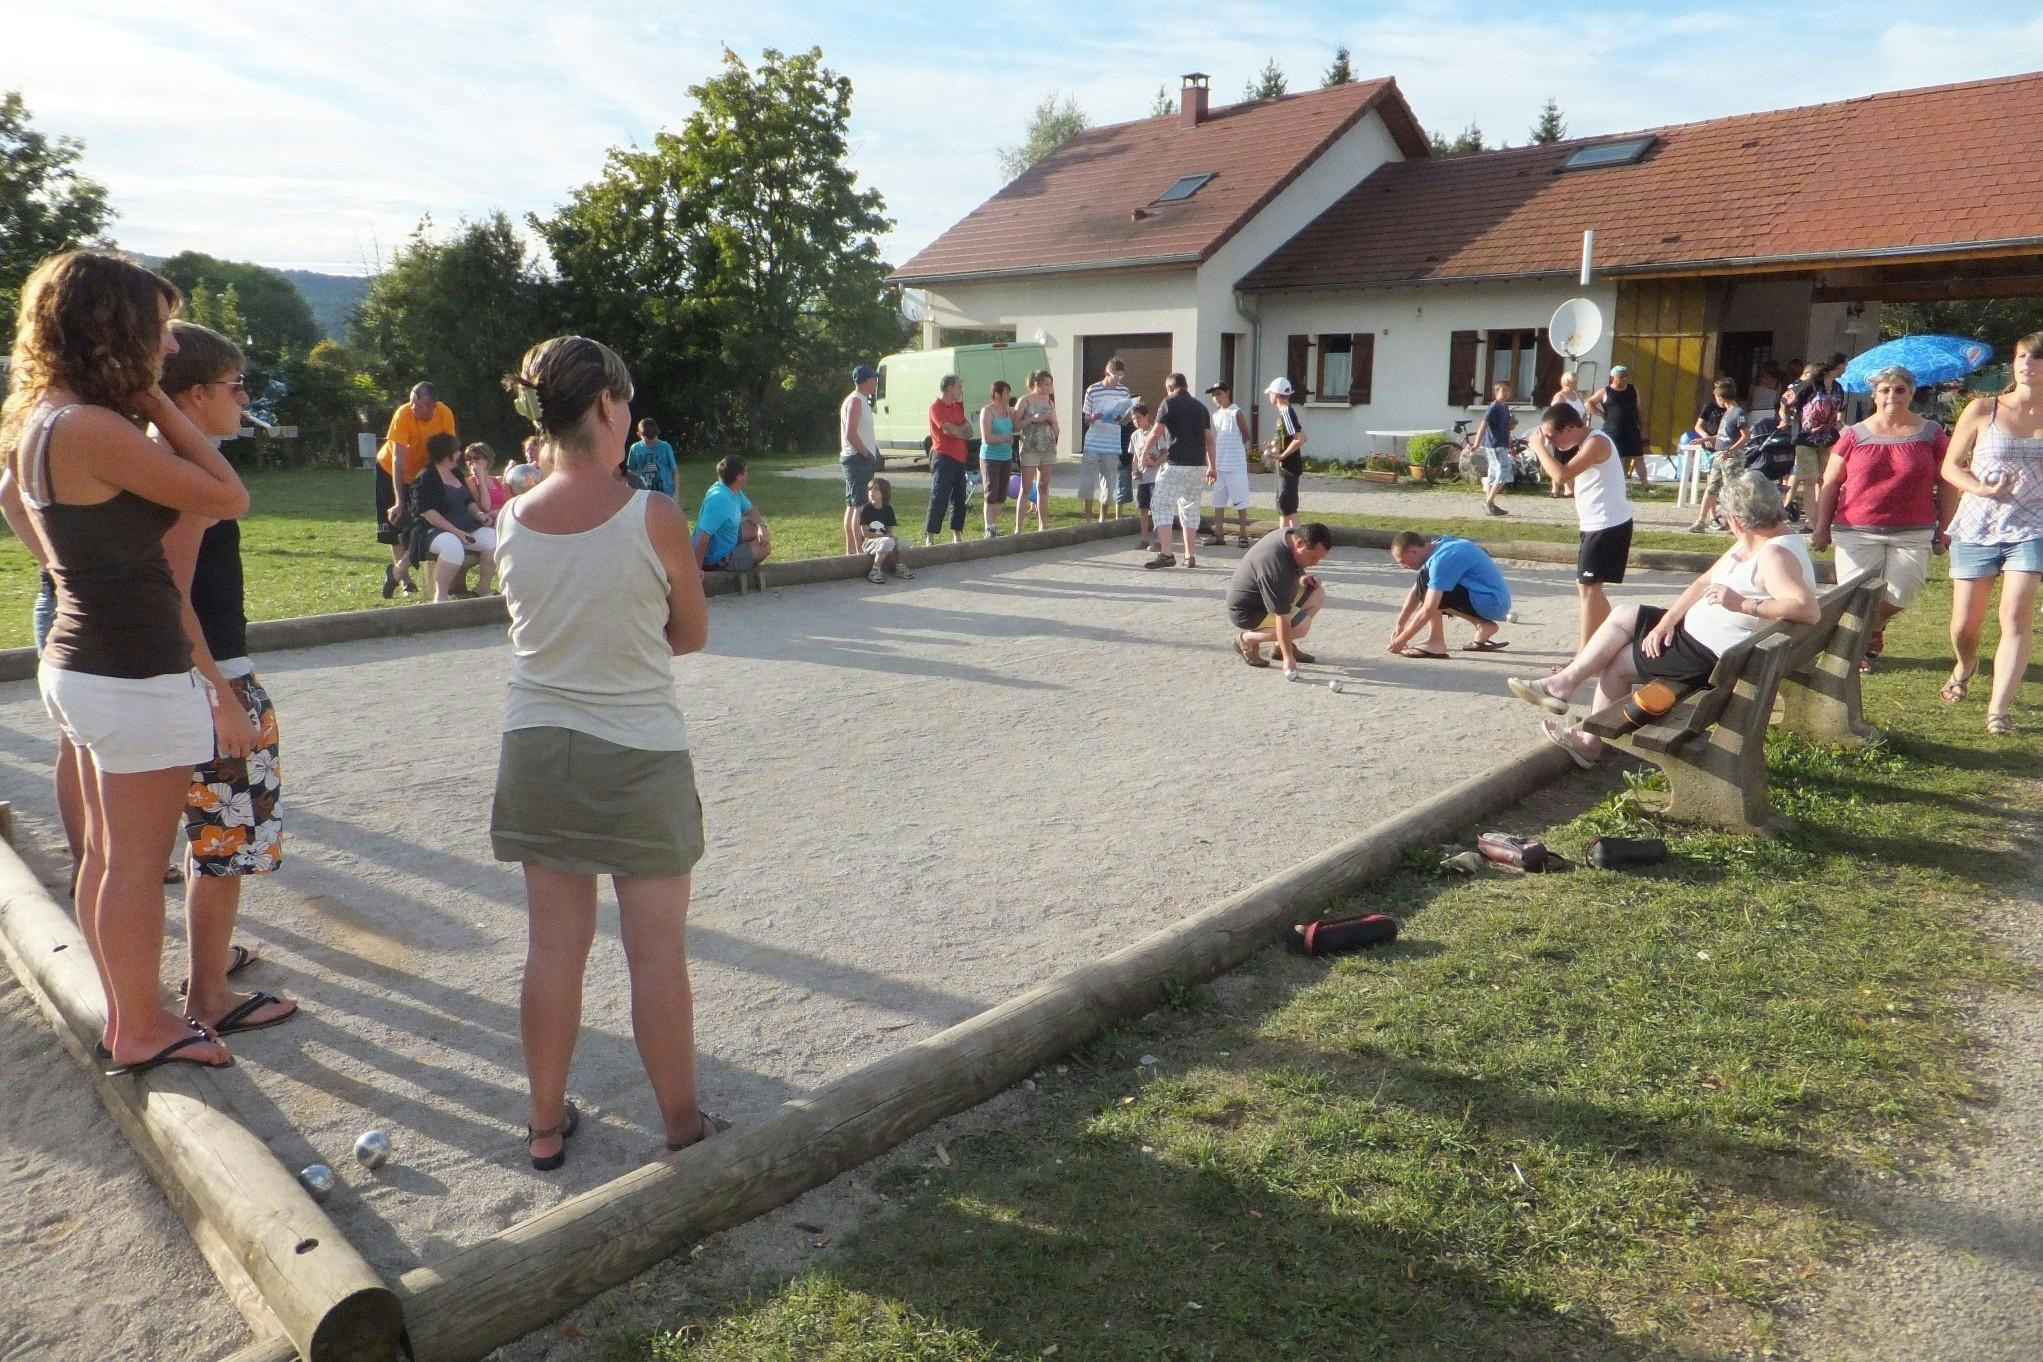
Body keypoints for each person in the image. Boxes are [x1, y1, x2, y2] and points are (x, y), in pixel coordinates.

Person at [3, 250, 249, 1076]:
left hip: (78, 660)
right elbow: (223, 493)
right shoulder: (95, 428)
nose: (170, 350)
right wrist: (154, 404)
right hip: (131, 670)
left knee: (108, 857)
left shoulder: (39, 419)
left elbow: (22, 510)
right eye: (157, 332)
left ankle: (126, 1011)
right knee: (137, 868)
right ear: (112, 329)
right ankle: (141, 1028)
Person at [494, 335, 717, 1167]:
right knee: (655, 951)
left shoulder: (508, 518)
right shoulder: (653, 515)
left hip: (536, 745)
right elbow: (690, 635)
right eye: (623, 403)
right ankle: (682, 1127)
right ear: (603, 407)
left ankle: (544, 1128)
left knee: (552, 948)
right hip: (637, 750)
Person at [156, 321, 297, 1040]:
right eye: (238, 387)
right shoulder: (189, 481)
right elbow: (173, 595)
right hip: (213, 683)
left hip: (191, 680)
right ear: (198, 394)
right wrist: (220, 693)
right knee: (221, 848)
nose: (246, 400)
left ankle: (206, 966)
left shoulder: (164, 463)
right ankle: (207, 998)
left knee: (209, 842)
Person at [1506, 471, 1818, 768]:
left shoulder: (1774, 556)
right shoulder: (1756, 541)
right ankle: (1562, 685)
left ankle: (1587, 740)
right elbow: (1702, 583)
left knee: (1617, 664)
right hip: (1697, 638)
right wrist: (1667, 621)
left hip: (1711, 657)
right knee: (1624, 614)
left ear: (1739, 519)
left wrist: (1743, 604)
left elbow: (1807, 610)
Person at [1808, 364, 1951, 672]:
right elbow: (1831, 481)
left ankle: (1870, 630)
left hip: (1914, 529)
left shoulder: (1931, 432)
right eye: (1885, 390)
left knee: (1901, 593)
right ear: (1874, 395)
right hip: (1856, 529)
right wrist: (1822, 527)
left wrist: (1947, 527)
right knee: (1857, 597)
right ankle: (1854, 649)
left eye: (1900, 390)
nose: (1892, 396)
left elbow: (1947, 481)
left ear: (1911, 393)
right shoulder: (1853, 434)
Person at [1939, 331, 2043, 736]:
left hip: (2032, 527)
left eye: (2035, 358)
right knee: (1965, 624)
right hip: (1977, 523)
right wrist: (1979, 487)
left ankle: (1998, 711)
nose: (2026, 364)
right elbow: (1950, 466)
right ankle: (1966, 664)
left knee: (2015, 615)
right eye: (2021, 357)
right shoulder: (1983, 409)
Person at [1529, 401, 1636, 649]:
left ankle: (1583, 655)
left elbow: (1561, 475)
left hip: (1607, 524)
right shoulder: (1584, 443)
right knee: (1588, 588)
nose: (1551, 442)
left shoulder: (1597, 442)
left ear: (1569, 428)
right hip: (1595, 524)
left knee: (1588, 589)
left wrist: (1538, 448)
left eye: (1552, 437)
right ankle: (1614, 639)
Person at [374, 381, 456, 598]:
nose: (413, 408)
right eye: (411, 402)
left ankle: (400, 570)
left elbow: (448, 449)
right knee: (396, 525)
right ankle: (405, 581)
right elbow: (397, 461)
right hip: (390, 471)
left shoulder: (444, 414)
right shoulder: (403, 415)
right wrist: (400, 500)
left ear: (433, 406)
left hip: (422, 472)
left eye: (419, 405)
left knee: (422, 524)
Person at [1227, 522, 1333, 676]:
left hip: (1267, 597)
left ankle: (1279, 646)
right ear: (1299, 543)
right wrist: (1288, 658)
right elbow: (1281, 615)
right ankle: (1246, 640)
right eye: (1313, 557)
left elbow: (1291, 571)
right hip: (1248, 612)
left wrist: (1301, 578)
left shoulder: (1289, 535)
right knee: (1300, 626)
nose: (1315, 562)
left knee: (1317, 593)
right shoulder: (1274, 566)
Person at [1386, 530, 1512, 656]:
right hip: (1494, 599)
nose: (1402, 566)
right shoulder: (1439, 546)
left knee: (1430, 587)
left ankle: (1435, 643)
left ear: (1413, 551)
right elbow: (1416, 591)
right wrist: (1400, 625)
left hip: (1490, 602)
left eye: (1402, 561)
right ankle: (1483, 625)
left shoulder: (1441, 560)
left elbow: (1429, 608)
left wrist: (1401, 640)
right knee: (1426, 580)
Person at [410, 433, 498, 602]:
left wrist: (480, 515)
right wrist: (456, 532)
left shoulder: (456, 473)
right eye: (457, 451)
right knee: (453, 546)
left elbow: (469, 502)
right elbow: (428, 513)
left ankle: (483, 588)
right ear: (447, 455)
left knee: (492, 539)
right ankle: (441, 596)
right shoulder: (426, 477)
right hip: (434, 529)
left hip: (466, 525)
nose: (460, 454)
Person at [1146, 373, 1215, 570]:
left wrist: (1144, 452)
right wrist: (1212, 466)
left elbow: (1156, 432)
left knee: (1160, 504)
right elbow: (1209, 439)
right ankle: (1190, 555)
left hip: (1176, 463)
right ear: (1186, 386)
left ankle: (1167, 553)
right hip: (1198, 465)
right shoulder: (1201, 407)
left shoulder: (1168, 403)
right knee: (1190, 508)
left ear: (1170, 387)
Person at [1784, 355, 1847, 522]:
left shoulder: (1837, 387)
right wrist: (1785, 419)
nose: (1846, 368)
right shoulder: (1811, 384)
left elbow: (1840, 407)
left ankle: (1821, 518)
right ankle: (1812, 522)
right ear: (1838, 366)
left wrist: (1838, 420)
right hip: (1806, 437)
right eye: (1845, 364)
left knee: (1825, 479)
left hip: (1827, 438)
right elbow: (1786, 399)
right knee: (1810, 479)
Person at [1686, 379, 1750, 533]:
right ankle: (1701, 519)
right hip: (1719, 454)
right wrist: (1707, 439)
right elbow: (1724, 436)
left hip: (1731, 457)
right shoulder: (1727, 413)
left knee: (1731, 489)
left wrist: (1731, 450)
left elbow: (1745, 436)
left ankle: (1735, 522)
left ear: (1721, 398)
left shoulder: (1738, 412)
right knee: (1712, 487)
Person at [694, 455, 771, 572]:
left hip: (727, 539)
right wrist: (696, 571)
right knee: (765, 547)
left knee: (758, 532)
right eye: (746, 471)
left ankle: (742, 556)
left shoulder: (733, 490)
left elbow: (752, 511)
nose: (748, 474)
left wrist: (761, 527)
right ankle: (733, 566)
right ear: (739, 477)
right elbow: (703, 537)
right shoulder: (719, 500)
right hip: (716, 559)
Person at [1080, 357, 1131, 522]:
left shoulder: (1124, 391)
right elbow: (1086, 418)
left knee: (1109, 485)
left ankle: (1102, 519)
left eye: (1121, 377)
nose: (1118, 380)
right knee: (1089, 482)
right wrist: (1092, 417)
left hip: (1112, 442)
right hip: (1093, 441)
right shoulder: (1093, 390)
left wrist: (1121, 417)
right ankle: (1088, 520)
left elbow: (1126, 419)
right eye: (1115, 377)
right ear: (1106, 373)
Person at [1202, 381, 1253, 547]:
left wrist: (1236, 448)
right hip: (1220, 462)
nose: (1216, 398)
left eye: (1219, 394)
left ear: (1227, 393)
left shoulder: (1235, 412)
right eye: (1214, 395)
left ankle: (1243, 534)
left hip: (1235, 464)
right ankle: (1218, 533)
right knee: (1218, 499)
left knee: (1240, 499)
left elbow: (1246, 434)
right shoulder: (1216, 415)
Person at [924, 374, 970, 546]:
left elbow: (969, 431)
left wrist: (959, 430)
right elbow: (949, 430)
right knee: (940, 495)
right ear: (950, 388)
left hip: (960, 457)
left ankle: (957, 533)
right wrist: (959, 430)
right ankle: (930, 535)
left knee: (959, 498)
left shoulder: (957, 407)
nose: (961, 390)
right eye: (959, 386)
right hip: (943, 457)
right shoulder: (935, 407)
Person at [1013, 370, 1059, 535]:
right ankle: (1018, 527)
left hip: (1047, 447)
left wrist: (1053, 423)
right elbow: (1015, 425)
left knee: (1043, 486)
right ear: (1037, 383)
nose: (1049, 387)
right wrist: (1033, 419)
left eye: (1050, 384)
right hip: (1030, 447)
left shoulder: (1049, 402)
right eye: (1046, 384)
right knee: (1026, 488)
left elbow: (1057, 428)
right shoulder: (1024, 400)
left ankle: (1043, 524)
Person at [840, 364, 880, 553]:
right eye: (874, 378)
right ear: (867, 380)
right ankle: (859, 551)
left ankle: (851, 552)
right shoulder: (856, 401)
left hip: (856, 459)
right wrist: (867, 455)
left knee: (852, 505)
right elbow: (851, 434)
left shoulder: (861, 400)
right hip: (857, 460)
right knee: (860, 506)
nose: (876, 382)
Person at [1588, 364, 1647, 488]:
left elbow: (1639, 410)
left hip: (1632, 429)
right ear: (1613, 378)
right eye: (1621, 376)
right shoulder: (1605, 391)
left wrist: (1643, 428)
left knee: (1639, 457)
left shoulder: (1633, 389)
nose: (1624, 379)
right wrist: (1600, 413)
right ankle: (1619, 485)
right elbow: (1589, 403)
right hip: (1614, 430)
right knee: (1618, 458)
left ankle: (1645, 484)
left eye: (1626, 376)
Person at [853, 476, 914, 583]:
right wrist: (884, 537)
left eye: (876, 489)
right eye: (870, 489)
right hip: (869, 542)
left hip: (884, 541)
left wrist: (891, 537)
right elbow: (865, 533)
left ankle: (899, 567)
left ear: (884, 493)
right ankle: (874, 570)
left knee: (903, 542)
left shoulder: (888, 509)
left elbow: (890, 531)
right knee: (888, 541)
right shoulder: (866, 509)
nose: (872, 491)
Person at [1264, 377, 1307, 528]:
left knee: (1289, 508)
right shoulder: (1284, 413)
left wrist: (1282, 455)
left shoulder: (1286, 413)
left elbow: (1300, 438)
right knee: (1283, 507)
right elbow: (1287, 437)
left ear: (1275, 395)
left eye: (1270, 393)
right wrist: (1274, 444)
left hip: (1289, 467)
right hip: (1284, 468)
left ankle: (1297, 540)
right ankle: (1283, 539)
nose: (1269, 396)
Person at [978, 379, 1015, 539]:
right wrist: (1005, 438)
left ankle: (994, 525)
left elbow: (1019, 419)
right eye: (1006, 392)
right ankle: (989, 528)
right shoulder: (987, 411)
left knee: (1001, 494)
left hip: (1005, 457)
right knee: (991, 492)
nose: (1008, 395)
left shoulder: (1008, 411)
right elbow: (987, 437)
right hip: (990, 457)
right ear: (997, 394)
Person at [1129, 402, 1165, 550]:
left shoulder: (1155, 433)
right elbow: (1135, 457)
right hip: (1143, 479)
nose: (1136, 421)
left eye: (1139, 418)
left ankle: (1159, 539)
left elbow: (1165, 453)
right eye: (1133, 418)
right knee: (1143, 508)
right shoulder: (1135, 435)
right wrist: (1135, 471)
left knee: (1157, 509)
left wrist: (1155, 463)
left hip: (1156, 478)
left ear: (1146, 417)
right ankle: (1144, 539)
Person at [1479, 380, 1517, 516]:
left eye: (1508, 390)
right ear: (1497, 391)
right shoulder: (1494, 407)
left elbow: (1507, 428)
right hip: (1495, 445)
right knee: (1504, 473)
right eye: (1503, 390)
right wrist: (1477, 442)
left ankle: (1490, 504)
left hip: (1502, 444)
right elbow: (1484, 424)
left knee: (1494, 474)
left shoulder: (1505, 407)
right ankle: (1489, 502)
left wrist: (1510, 443)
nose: (1506, 393)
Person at [625, 418, 678, 501]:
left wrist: (676, 494)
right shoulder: (635, 449)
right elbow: (630, 472)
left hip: (666, 493)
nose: (651, 443)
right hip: (644, 494)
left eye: (653, 440)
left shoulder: (665, 447)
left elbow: (674, 471)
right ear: (639, 434)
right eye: (647, 441)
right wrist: (629, 493)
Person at [465, 442, 511, 518]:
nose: (472, 461)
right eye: (468, 458)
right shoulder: (469, 482)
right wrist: (480, 479)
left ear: (487, 460)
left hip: (506, 517)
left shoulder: (499, 480)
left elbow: (510, 503)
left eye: (476, 458)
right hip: (489, 523)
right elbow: (486, 508)